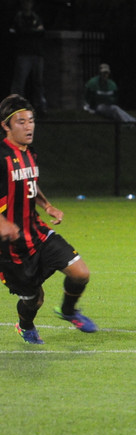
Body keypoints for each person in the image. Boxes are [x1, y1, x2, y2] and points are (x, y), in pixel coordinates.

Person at [0, 94, 97, 344]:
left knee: (80, 273)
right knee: (35, 299)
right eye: (21, 122)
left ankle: (68, 311)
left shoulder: (30, 152)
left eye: (31, 120)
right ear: (6, 126)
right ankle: (25, 325)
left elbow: (30, 183)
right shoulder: (1, 158)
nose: (29, 126)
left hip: (38, 234)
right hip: (11, 250)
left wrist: (47, 205)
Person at [9, 0, 47, 114]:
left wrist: (30, 31)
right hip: (24, 54)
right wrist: (33, 31)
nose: (27, 5)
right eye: (25, 2)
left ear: (32, 4)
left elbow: (41, 31)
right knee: (20, 81)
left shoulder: (36, 17)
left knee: (38, 82)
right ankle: (15, 106)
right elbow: (21, 31)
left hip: (37, 53)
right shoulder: (19, 17)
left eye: (29, 2)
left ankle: (40, 107)